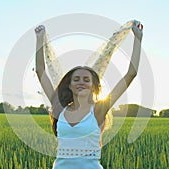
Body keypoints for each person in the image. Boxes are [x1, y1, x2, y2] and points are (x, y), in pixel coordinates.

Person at [35, 20, 143, 169]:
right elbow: (40, 70)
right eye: (76, 79)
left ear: (94, 87)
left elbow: (131, 74)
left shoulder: (99, 110)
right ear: (70, 85)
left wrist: (138, 39)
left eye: (86, 80)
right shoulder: (59, 108)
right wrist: (39, 39)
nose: (81, 82)